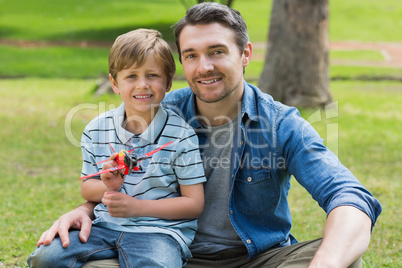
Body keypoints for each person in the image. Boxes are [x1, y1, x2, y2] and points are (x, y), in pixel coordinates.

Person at [34, 3, 382, 268]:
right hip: (169, 252)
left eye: (217, 51)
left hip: (257, 259)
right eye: (191, 55)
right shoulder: (157, 110)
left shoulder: (280, 124)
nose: (204, 67)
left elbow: (348, 195)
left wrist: (325, 264)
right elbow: (125, 174)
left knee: (341, 254)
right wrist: (86, 207)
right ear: (181, 64)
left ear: (244, 54)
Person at [27, 28, 206, 267]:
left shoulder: (182, 136)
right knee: (46, 258)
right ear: (114, 83)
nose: (142, 85)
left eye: (152, 75)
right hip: (104, 227)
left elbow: (193, 204)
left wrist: (137, 207)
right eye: (131, 76)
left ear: (168, 82)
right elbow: (87, 189)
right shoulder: (96, 129)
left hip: (159, 233)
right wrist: (110, 186)